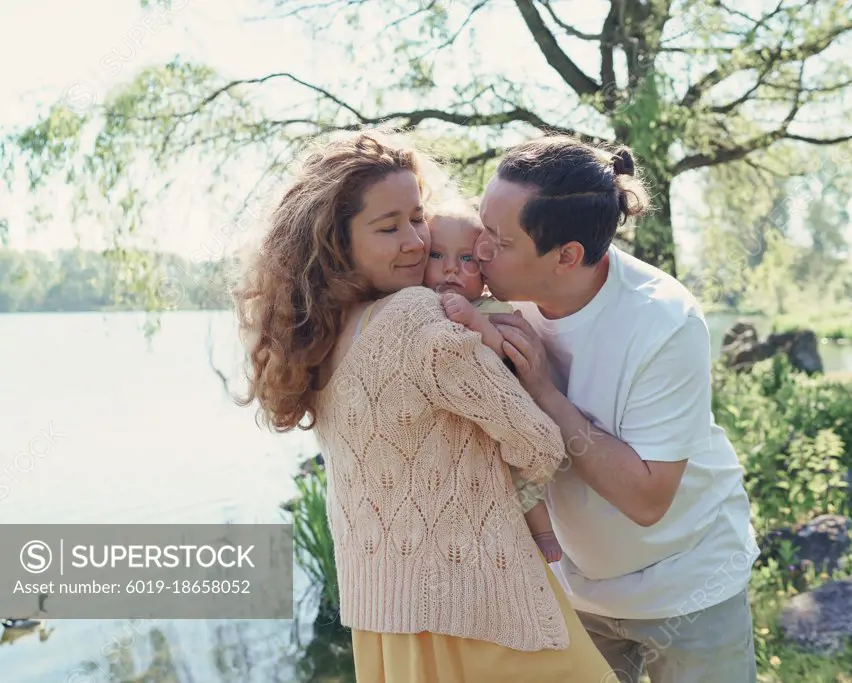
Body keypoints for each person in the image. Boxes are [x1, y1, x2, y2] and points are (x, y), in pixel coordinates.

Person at [233, 130, 613, 683]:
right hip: (480, 614)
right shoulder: (415, 319)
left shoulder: (317, 342)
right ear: (337, 243)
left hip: (384, 621)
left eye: (417, 218)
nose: (414, 241)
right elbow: (540, 446)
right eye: (388, 228)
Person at [473, 136, 760, 683]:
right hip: (576, 588)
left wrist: (545, 393)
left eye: (499, 240)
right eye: (481, 225)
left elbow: (647, 497)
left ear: (567, 257)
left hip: (687, 583)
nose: (478, 249)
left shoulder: (663, 321)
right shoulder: (496, 295)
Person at [423, 198, 563, 563]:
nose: (451, 268)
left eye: (467, 259)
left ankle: (543, 531)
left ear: (484, 271)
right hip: (465, 422)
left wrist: (475, 321)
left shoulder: (492, 310)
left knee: (519, 477)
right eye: (436, 256)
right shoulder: (418, 306)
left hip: (511, 410)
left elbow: (503, 352)